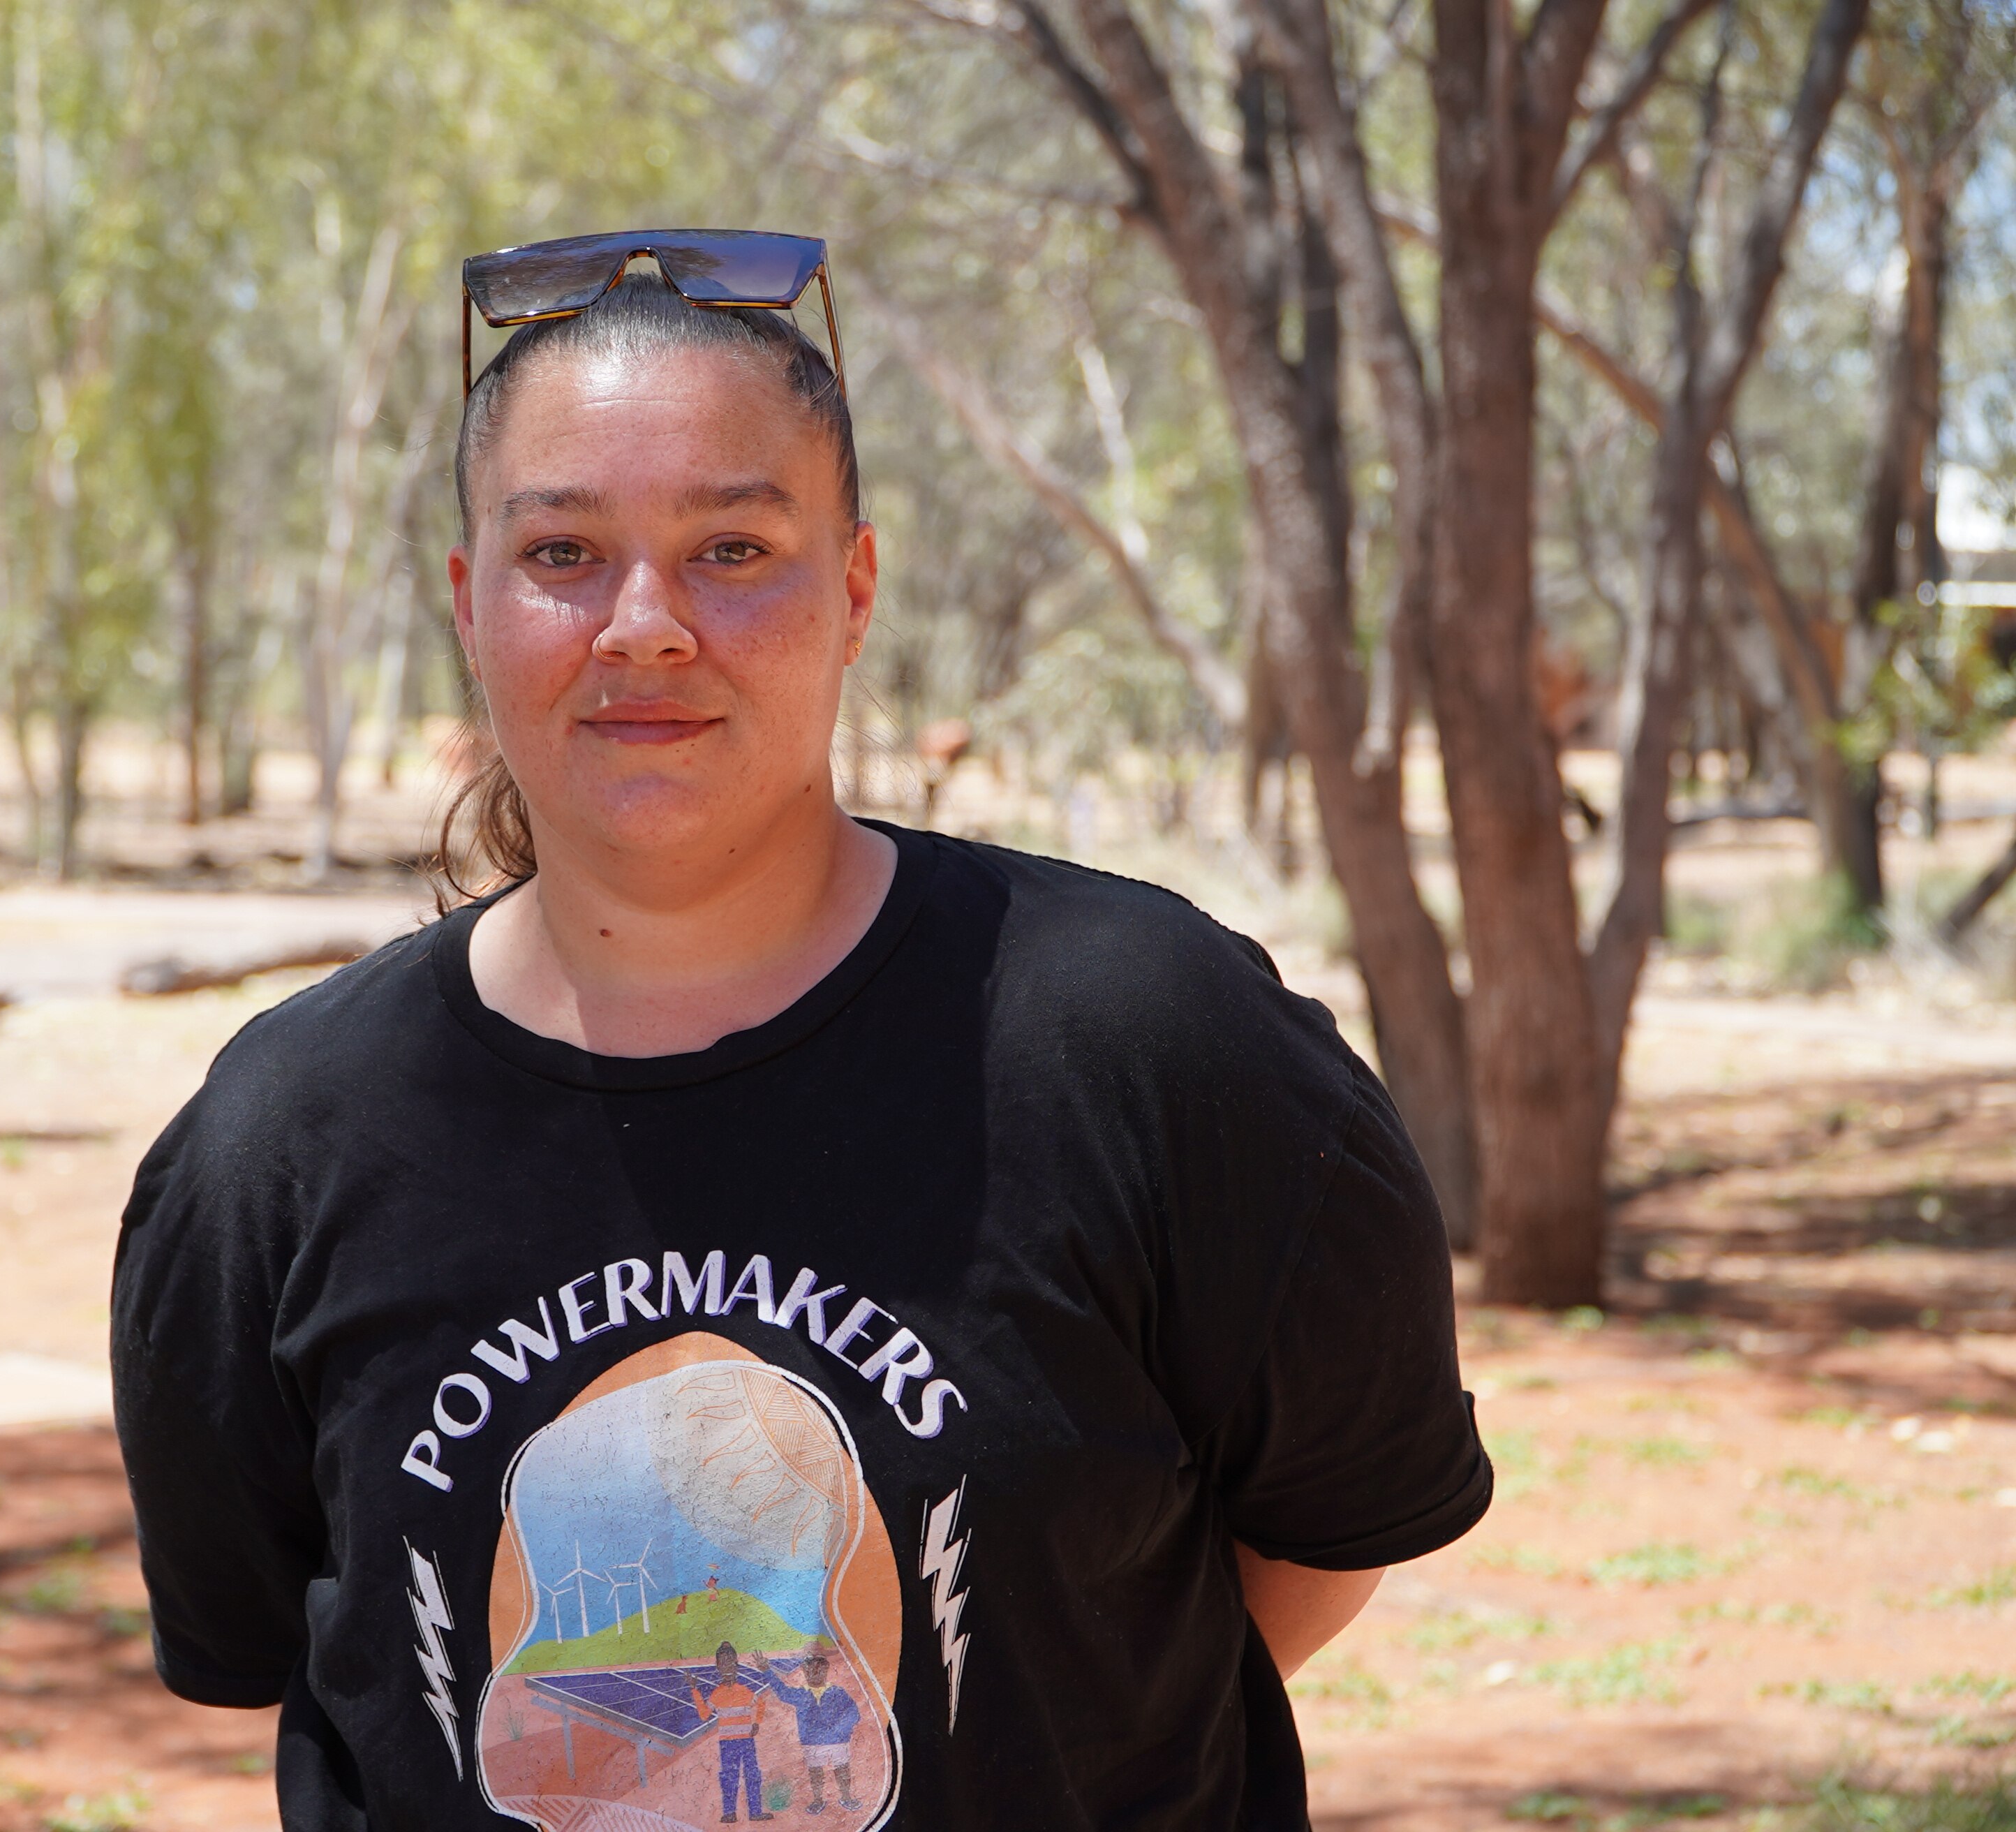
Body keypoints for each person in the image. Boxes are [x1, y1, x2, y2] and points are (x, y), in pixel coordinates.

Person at [112, 230, 1492, 1831]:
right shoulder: (275, 1143)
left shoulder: (1162, 1047)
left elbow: (1323, 1527)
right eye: (561, 552)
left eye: (735, 546)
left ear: (852, 588)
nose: (644, 623)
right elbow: (312, 1657)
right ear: (468, 603)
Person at [761, 1646, 864, 1817]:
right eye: (810, 1670)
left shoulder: (837, 1692)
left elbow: (854, 1713)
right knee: (816, 1772)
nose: (815, 1673)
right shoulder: (801, 1694)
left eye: (819, 1669)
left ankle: (846, 1796)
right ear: (805, 1672)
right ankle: (818, 1800)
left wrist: (840, 1730)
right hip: (812, 1743)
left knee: (842, 1769)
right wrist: (767, 1670)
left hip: (838, 1741)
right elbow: (782, 1692)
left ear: (826, 1670)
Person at [690, 1641, 775, 1824]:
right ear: (718, 1667)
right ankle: (730, 1812)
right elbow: (705, 1714)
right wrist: (695, 1691)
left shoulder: (744, 1692)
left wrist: (757, 1723)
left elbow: (760, 1703)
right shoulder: (717, 1694)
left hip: (746, 1741)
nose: (727, 1666)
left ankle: (755, 1811)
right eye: (723, 1662)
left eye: (730, 1661)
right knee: (729, 1777)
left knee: (752, 1776)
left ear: (736, 1664)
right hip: (727, 1743)